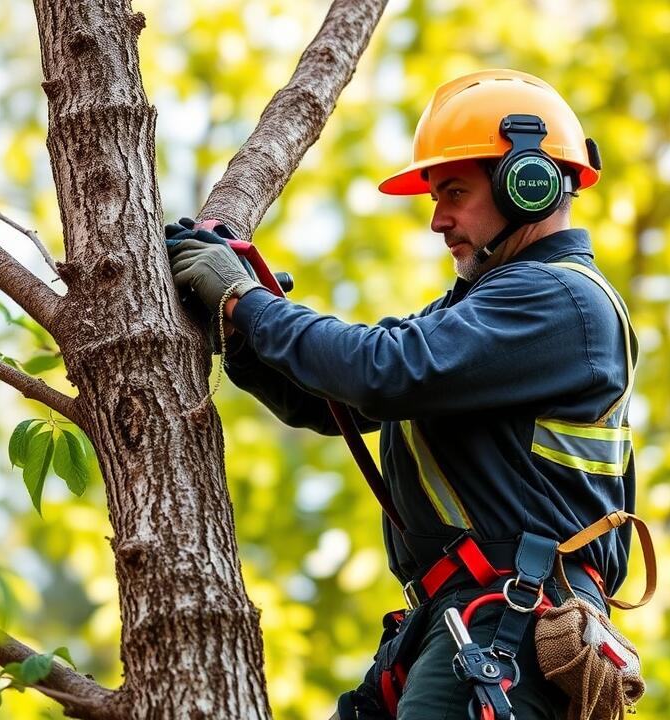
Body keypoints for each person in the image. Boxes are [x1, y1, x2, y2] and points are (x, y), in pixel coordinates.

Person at [167, 69, 638, 720]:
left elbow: (381, 372)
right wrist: (233, 320)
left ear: (526, 184)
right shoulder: (486, 306)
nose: (438, 220)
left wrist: (245, 301)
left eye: (453, 192)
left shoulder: (558, 300)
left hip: (509, 621)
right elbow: (332, 401)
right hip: (459, 626)